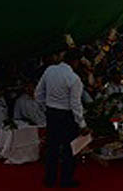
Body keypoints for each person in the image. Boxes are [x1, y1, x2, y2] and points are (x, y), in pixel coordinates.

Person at [35, 49, 87, 188]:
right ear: (75, 62)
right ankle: (66, 180)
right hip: (66, 116)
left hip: (52, 113)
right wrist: (82, 124)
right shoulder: (74, 79)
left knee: (52, 148)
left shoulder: (50, 70)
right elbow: (75, 104)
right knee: (69, 149)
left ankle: (49, 179)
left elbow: (38, 93)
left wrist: (45, 108)